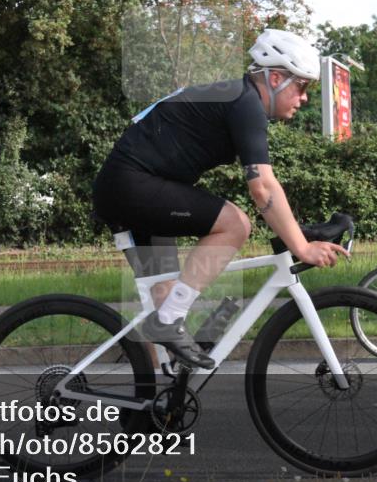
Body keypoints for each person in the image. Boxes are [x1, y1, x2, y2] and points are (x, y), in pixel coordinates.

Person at [92, 28, 349, 368]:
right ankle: (167, 324)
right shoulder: (245, 104)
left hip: (132, 187)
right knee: (235, 224)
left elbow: (266, 187)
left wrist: (297, 232)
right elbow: (263, 188)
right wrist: (301, 247)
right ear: (274, 78)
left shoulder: (237, 97)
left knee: (165, 300)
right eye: (301, 86)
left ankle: (153, 403)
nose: (304, 98)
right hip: (132, 186)